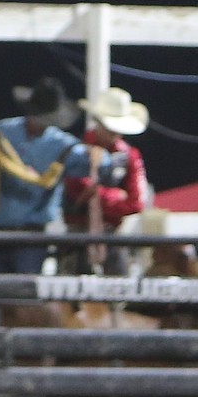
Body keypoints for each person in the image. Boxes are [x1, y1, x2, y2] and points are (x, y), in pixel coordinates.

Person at [0, 76, 109, 274]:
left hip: (33, 235)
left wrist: (96, 156)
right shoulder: (2, 132)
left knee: (26, 286)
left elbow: (102, 165)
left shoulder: (62, 144)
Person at [62, 87, 150, 275]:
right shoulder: (76, 151)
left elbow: (136, 203)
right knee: (73, 283)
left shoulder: (129, 156)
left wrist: (98, 195)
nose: (115, 134)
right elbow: (74, 188)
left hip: (112, 233)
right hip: (78, 232)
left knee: (118, 284)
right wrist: (116, 196)